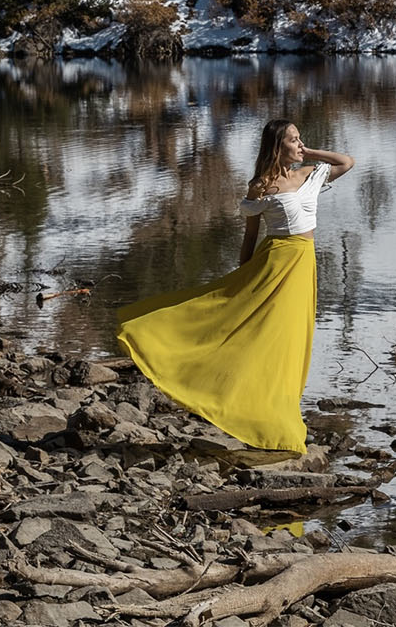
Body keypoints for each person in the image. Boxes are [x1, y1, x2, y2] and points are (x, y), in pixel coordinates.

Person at [116, 118, 353, 454]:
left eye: (300, 138)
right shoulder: (261, 186)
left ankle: (278, 415)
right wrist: (243, 280)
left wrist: (307, 150)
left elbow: (346, 162)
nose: (300, 143)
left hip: (304, 266)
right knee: (260, 336)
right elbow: (250, 237)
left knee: (291, 342)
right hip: (275, 264)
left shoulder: (309, 174)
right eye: (293, 139)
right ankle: (237, 404)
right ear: (276, 146)